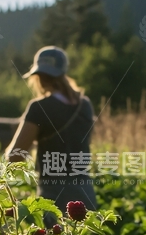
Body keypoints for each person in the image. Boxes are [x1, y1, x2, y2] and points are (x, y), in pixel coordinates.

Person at [6, 46, 98, 225]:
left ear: (37, 77)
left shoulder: (39, 108)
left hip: (54, 195)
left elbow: (15, 156)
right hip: (85, 193)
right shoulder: (85, 105)